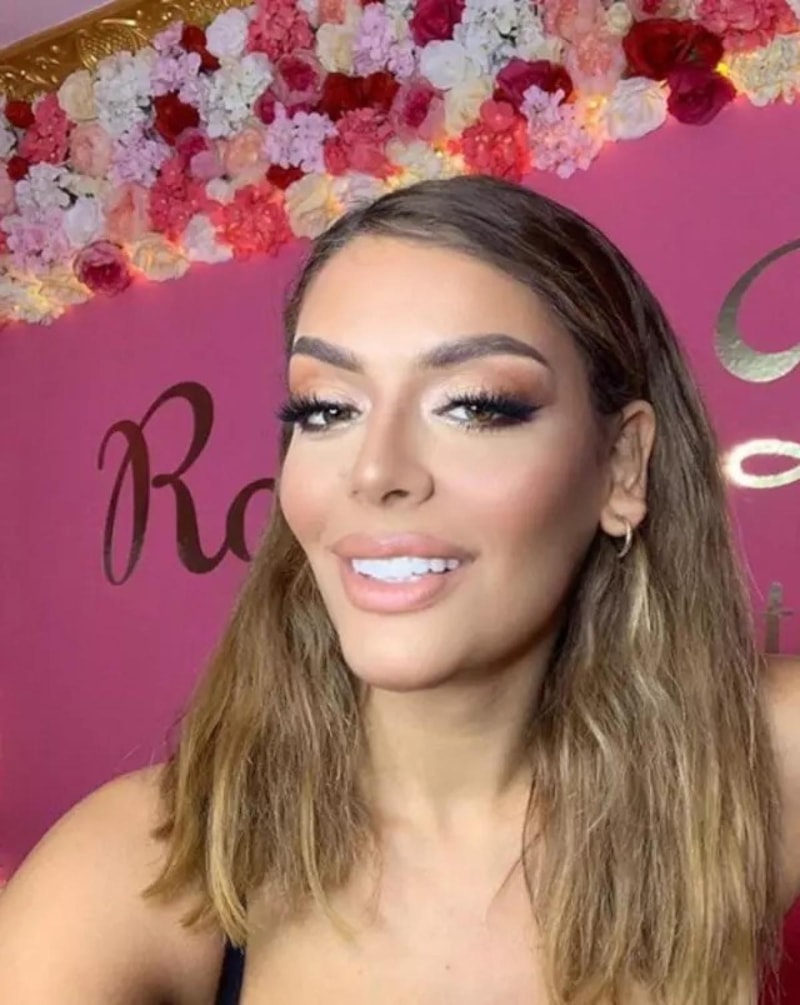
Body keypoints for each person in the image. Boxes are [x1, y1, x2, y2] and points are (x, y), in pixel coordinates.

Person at [1, 174, 799, 1005]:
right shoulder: (134, 868)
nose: (376, 469)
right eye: (326, 409)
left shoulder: (762, 757)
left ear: (623, 465)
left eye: (475, 406)